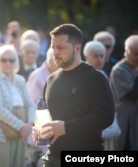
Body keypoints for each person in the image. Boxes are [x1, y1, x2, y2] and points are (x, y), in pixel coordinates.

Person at [32, 24, 115, 167]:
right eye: (53, 47)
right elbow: (47, 116)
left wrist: (67, 127)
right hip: (52, 158)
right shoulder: (50, 79)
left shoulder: (95, 78)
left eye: (61, 47)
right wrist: (37, 127)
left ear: (77, 48)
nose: (55, 52)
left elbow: (105, 116)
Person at [0, 45, 35, 167]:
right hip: (0, 133)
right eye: (3, 60)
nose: (8, 63)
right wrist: (21, 126)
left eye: (12, 60)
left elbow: (30, 104)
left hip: (21, 133)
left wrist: (30, 124)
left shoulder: (20, 79)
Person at [83, 40, 121, 150]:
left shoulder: (103, 73)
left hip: (106, 124)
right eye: (95, 56)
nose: (99, 59)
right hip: (92, 127)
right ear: (86, 57)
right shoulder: (84, 75)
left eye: (101, 56)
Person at [110, 35, 138, 150]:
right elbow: (132, 93)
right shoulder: (119, 70)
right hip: (125, 122)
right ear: (127, 52)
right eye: (135, 54)